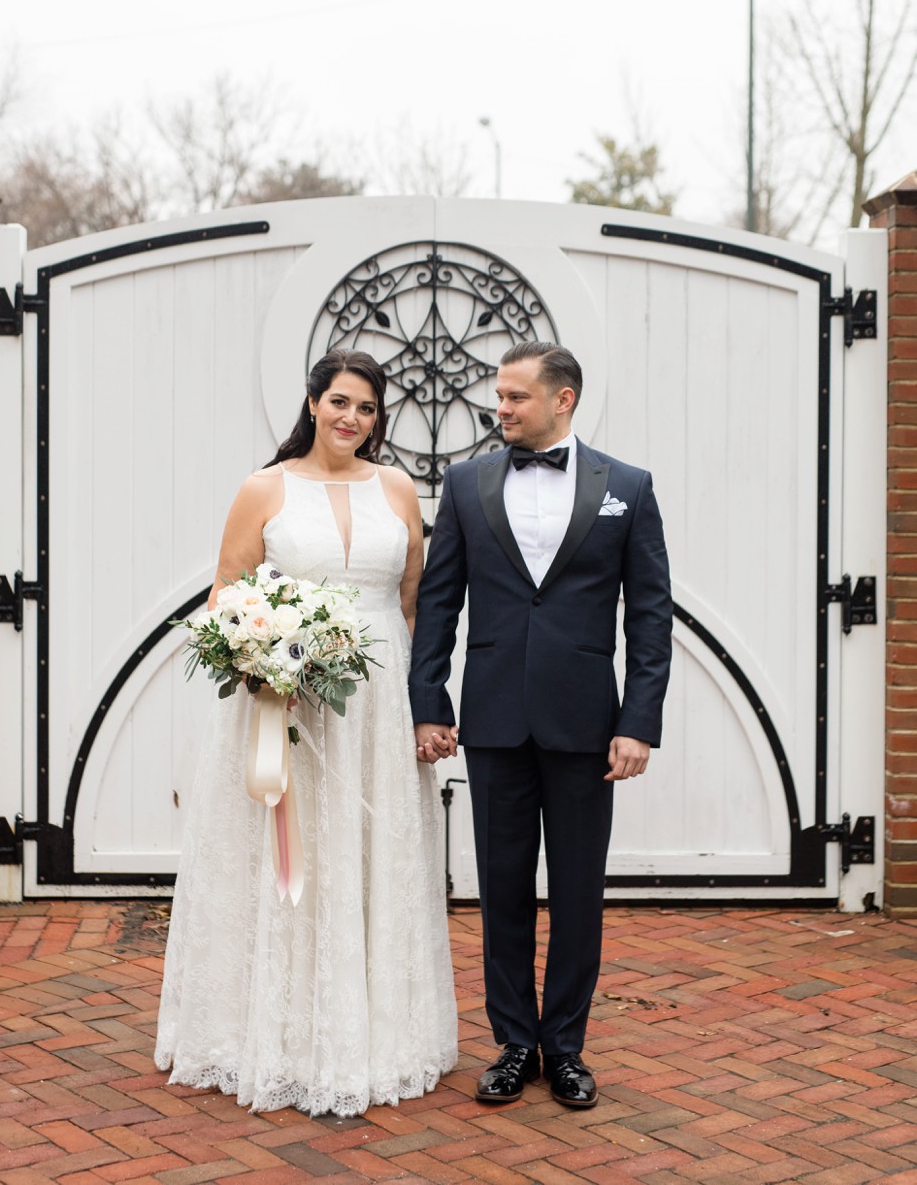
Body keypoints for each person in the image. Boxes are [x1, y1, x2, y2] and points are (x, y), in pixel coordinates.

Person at [156, 349, 458, 1117]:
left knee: (370, 853)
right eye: (339, 402)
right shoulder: (266, 487)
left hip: (380, 699)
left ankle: (378, 1033)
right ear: (313, 402)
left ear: (378, 419)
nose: (350, 418)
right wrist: (260, 661)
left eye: (366, 408)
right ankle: (281, 1036)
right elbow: (229, 589)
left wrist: (426, 700)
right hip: (289, 699)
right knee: (295, 858)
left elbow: (416, 599)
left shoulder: (398, 489)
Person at [409, 342, 672, 1109]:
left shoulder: (627, 487)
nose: (503, 409)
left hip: (587, 724)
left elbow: (650, 615)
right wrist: (431, 701)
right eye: (501, 395)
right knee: (501, 890)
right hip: (492, 719)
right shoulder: (465, 483)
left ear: (564, 400)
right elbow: (439, 603)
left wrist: (639, 722)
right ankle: (513, 1041)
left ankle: (566, 1048)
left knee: (580, 891)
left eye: (517, 397)